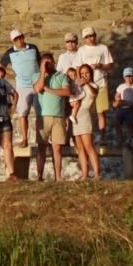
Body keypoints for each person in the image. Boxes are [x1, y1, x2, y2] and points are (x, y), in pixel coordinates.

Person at [0, 29, 41, 155]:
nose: (19, 41)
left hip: (36, 84)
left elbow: (39, 62)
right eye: (16, 39)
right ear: (13, 41)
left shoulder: (33, 47)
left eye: (20, 37)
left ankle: (42, 139)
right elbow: (0, 65)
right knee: (23, 114)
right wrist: (13, 73)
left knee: (41, 112)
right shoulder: (10, 52)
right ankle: (24, 139)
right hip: (22, 86)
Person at [34, 54, 75, 182]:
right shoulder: (36, 76)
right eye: (45, 62)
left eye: (49, 62)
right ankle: (40, 176)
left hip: (59, 116)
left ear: (54, 62)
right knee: (41, 147)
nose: (47, 65)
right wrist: (42, 73)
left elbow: (67, 92)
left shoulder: (61, 76)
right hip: (43, 116)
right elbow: (37, 88)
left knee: (57, 148)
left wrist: (50, 89)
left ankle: (58, 176)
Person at [75, 27, 115, 133]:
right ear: (84, 39)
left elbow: (110, 64)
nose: (90, 38)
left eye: (91, 36)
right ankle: (90, 134)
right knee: (87, 110)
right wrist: (79, 81)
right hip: (86, 85)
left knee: (100, 111)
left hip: (100, 82)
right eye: (87, 37)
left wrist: (100, 66)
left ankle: (102, 136)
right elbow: (78, 67)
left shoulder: (103, 48)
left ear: (95, 35)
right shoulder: (81, 50)